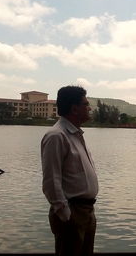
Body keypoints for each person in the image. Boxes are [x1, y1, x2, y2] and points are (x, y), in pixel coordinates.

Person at [41, 86, 99, 256]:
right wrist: (66, 215)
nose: (89, 108)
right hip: (72, 214)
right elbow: (51, 181)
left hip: (86, 212)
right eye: (86, 104)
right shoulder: (56, 136)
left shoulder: (75, 134)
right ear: (74, 108)